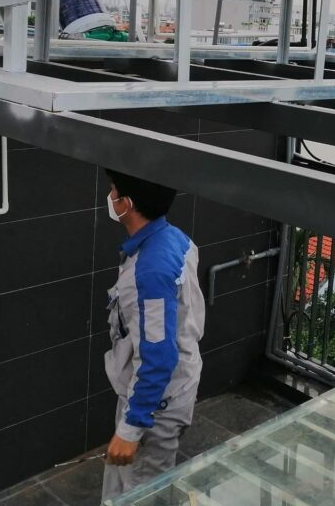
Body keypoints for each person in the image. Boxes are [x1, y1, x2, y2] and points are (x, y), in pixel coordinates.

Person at [101, 170, 205, 502]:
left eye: (114, 192)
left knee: (141, 493)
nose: (110, 197)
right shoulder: (175, 238)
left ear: (127, 204)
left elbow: (157, 358)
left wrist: (132, 427)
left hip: (155, 406)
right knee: (122, 488)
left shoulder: (150, 271)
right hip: (166, 390)